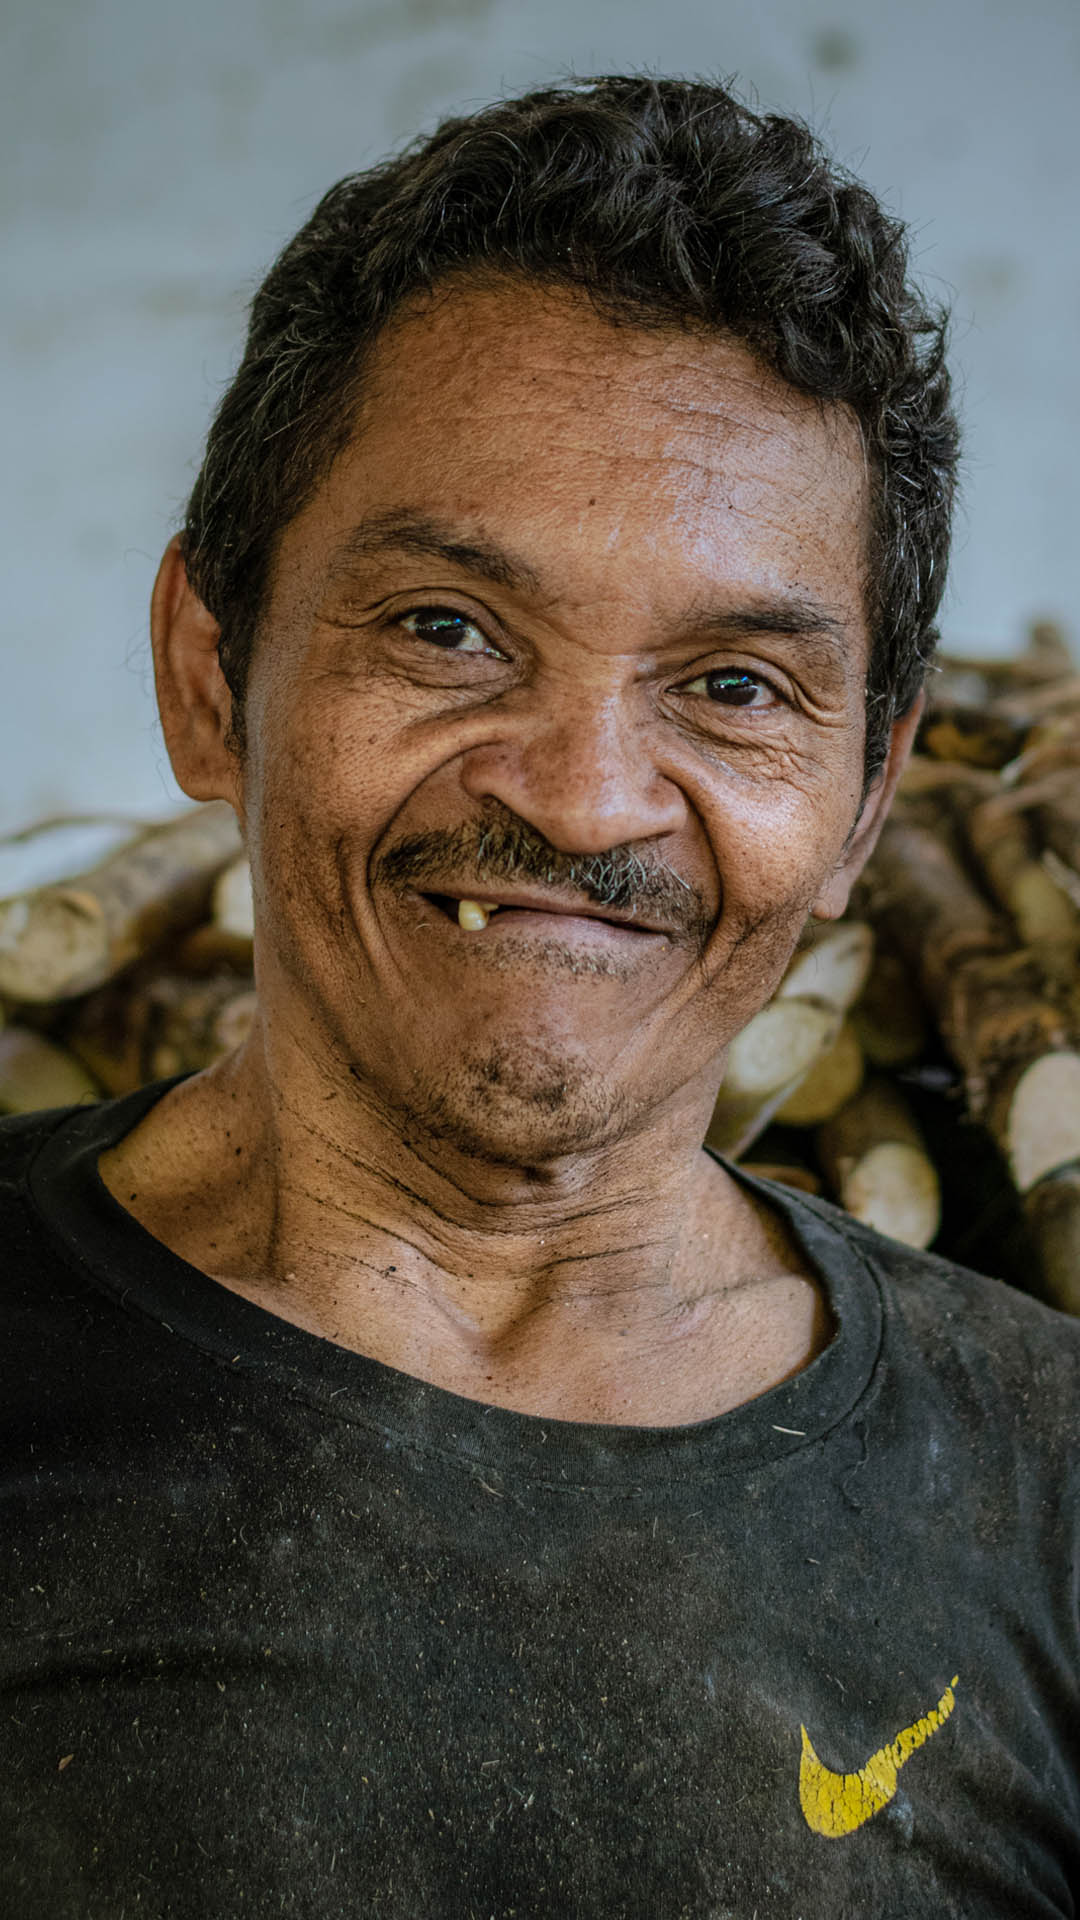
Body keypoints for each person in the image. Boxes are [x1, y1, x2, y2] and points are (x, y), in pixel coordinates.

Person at [1, 74, 1077, 1919]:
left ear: (860, 807)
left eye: (734, 687)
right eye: (449, 629)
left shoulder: (1047, 1488)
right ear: (208, 675)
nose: (582, 799)